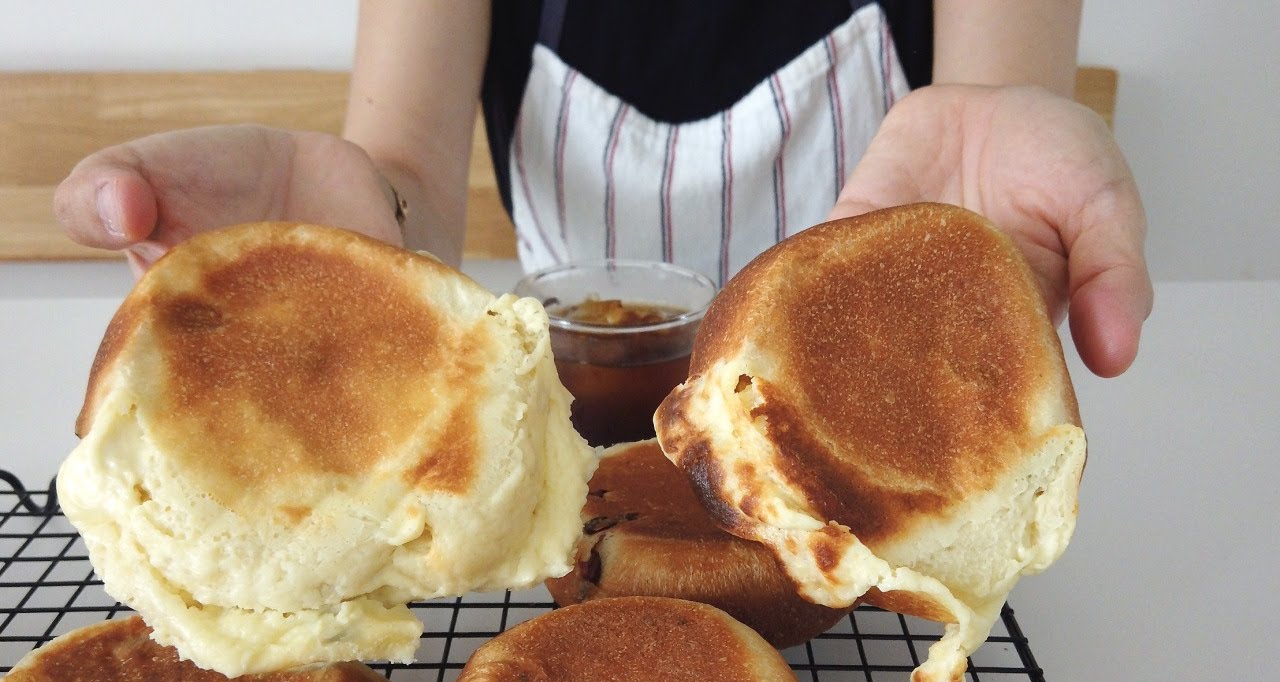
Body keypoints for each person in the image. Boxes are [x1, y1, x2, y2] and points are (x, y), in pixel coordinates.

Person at [52, 0, 1151, 378]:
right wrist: (364, 241)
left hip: (875, 445)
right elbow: (403, 185)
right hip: (572, 460)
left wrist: (977, 243)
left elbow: (984, 133)